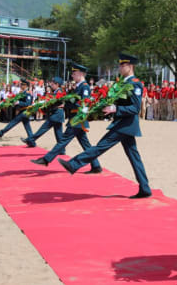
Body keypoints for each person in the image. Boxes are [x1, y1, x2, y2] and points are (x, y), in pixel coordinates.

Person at [57, 53, 152, 199]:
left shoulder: (135, 83)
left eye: (123, 65)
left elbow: (136, 108)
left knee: (101, 146)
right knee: (134, 156)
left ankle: (74, 164)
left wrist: (115, 109)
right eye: (120, 64)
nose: (120, 67)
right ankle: (145, 188)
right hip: (122, 124)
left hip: (125, 125)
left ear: (130, 66)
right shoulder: (121, 83)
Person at [31, 62, 102, 173]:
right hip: (75, 118)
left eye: (74, 73)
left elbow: (84, 104)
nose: (72, 75)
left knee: (63, 140)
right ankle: (96, 166)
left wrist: (67, 105)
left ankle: (46, 159)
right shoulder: (78, 87)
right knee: (85, 144)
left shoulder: (85, 87)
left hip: (78, 119)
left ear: (80, 74)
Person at [21, 77, 65, 148]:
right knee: (58, 134)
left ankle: (30, 139)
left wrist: (46, 102)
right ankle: (62, 150)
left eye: (53, 84)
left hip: (56, 114)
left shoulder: (59, 92)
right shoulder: (56, 91)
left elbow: (54, 102)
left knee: (43, 128)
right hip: (57, 114)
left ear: (57, 84)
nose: (51, 85)